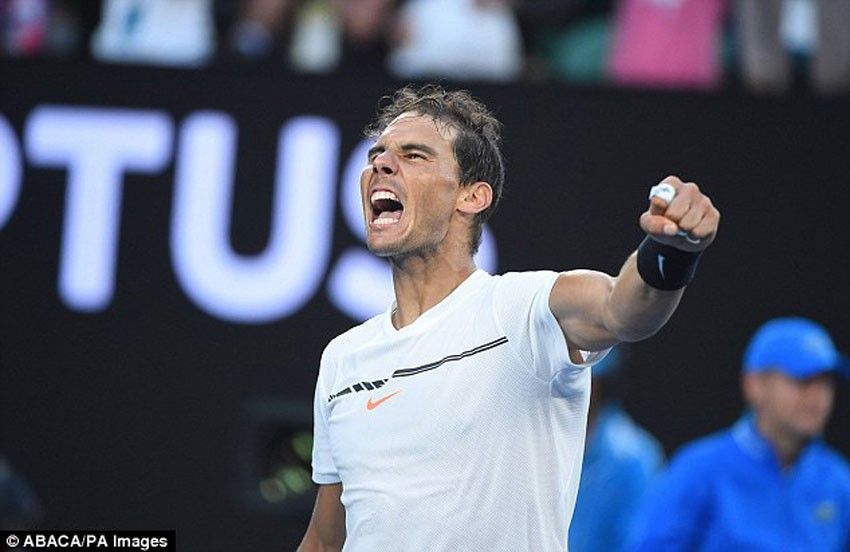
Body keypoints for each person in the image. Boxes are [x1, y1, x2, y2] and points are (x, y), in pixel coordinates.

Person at [297, 84, 720, 551]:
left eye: (414, 155)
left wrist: (670, 253)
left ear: (472, 196)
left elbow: (624, 311)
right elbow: (325, 541)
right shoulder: (343, 358)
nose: (381, 164)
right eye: (377, 155)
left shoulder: (522, 311)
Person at [628, 317, 850, 551]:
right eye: (803, 381)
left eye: (825, 383)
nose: (818, 397)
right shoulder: (700, 469)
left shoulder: (838, 480)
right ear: (754, 385)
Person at [569, 347, 665, 552]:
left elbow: (637, 542)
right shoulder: (529, 437)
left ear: (598, 383)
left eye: (574, 375)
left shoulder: (632, 457)